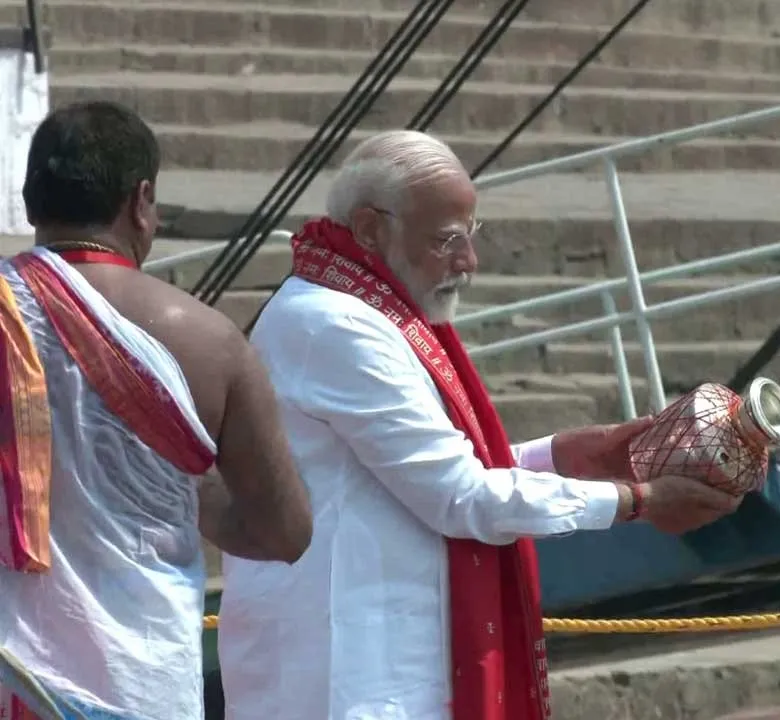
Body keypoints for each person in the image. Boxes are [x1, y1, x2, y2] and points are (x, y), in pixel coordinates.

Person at [216, 130, 742, 720]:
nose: (469, 263)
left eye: (472, 236)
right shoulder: (334, 325)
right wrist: (635, 501)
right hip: (345, 677)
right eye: (447, 241)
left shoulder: (362, 306)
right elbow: (458, 495)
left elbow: (430, 472)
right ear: (369, 229)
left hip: (382, 664)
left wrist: (560, 456)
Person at [0, 100, 314, 720]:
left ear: (31, 203)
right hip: (140, 684)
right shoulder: (210, 340)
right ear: (141, 201)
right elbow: (287, 531)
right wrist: (178, 489)